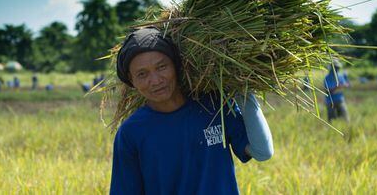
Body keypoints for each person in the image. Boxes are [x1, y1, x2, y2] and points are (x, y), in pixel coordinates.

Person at [110, 27, 274, 194]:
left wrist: (241, 84)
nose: (155, 80)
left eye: (161, 67)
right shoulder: (131, 133)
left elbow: (262, 151)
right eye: (142, 74)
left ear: (175, 65)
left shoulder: (213, 105)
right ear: (131, 80)